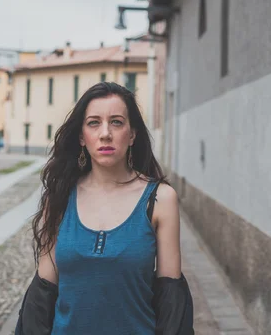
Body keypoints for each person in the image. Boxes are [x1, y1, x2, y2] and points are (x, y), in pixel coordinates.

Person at [30, 81, 183, 334]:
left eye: (116, 122)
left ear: (132, 134)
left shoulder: (160, 200)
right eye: (93, 123)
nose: (105, 134)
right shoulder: (58, 198)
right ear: (81, 136)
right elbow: (43, 293)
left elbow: (171, 301)